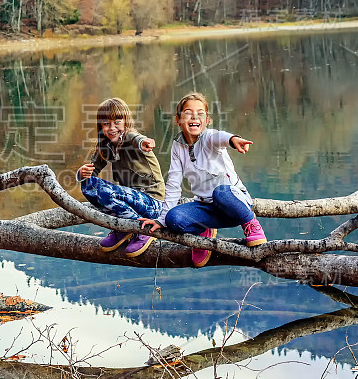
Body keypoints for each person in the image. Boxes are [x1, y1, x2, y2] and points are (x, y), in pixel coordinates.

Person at [139, 92, 266, 267]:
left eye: (200, 113)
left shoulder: (209, 138)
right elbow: (174, 183)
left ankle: (251, 224)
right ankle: (203, 231)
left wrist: (233, 139)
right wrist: (161, 219)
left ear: (207, 120)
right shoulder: (177, 146)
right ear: (178, 120)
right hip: (206, 207)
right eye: (188, 112)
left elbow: (220, 136)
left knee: (222, 192)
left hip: (234, 203)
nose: (194, 116)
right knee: (173, 219)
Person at [77, 98, 165, 257]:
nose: (112, 128)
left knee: (106, 192)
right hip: (132, 201)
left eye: (117, 122)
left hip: (152, 203)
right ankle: (123, 227)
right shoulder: (106, 146)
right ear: (101, 126)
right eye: (106, 124)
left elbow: (136, 138)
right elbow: (92, 171)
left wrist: (144, 142)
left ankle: (141, 230)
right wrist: (82, 173)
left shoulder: (130, 138)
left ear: (125, 122)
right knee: (88, 184)